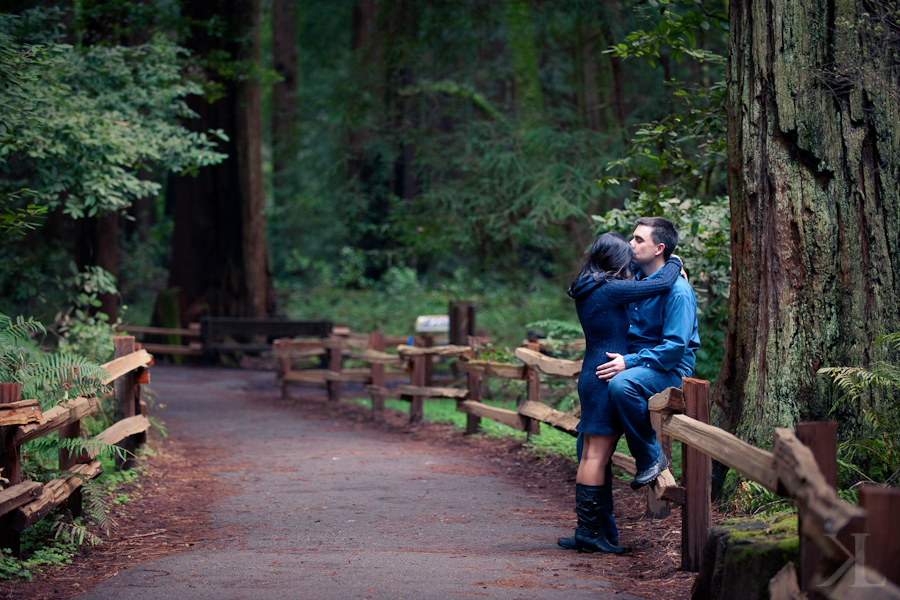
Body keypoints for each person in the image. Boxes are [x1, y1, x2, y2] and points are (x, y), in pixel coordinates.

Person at [558, 232, 684, 554]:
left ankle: (587, 530)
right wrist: (675, 262)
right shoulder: (610, 289)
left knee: (588, 455)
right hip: (605, 377)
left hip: (591, 374)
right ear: (616, 260)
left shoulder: (588, 286)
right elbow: (656, 285)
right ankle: (588, 533)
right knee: (596, 457)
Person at [596, 217, 700, 491]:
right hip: (638, 362)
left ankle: (650, 457)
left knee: (622, 384)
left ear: (659, 248)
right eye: (632, 238)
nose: (630, 244)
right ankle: (594, 529)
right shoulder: (633, 278)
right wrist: (675, 260)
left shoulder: (679, 291)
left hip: (671, 368)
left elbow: (675, 348)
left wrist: (628, 362)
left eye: (638, 240)